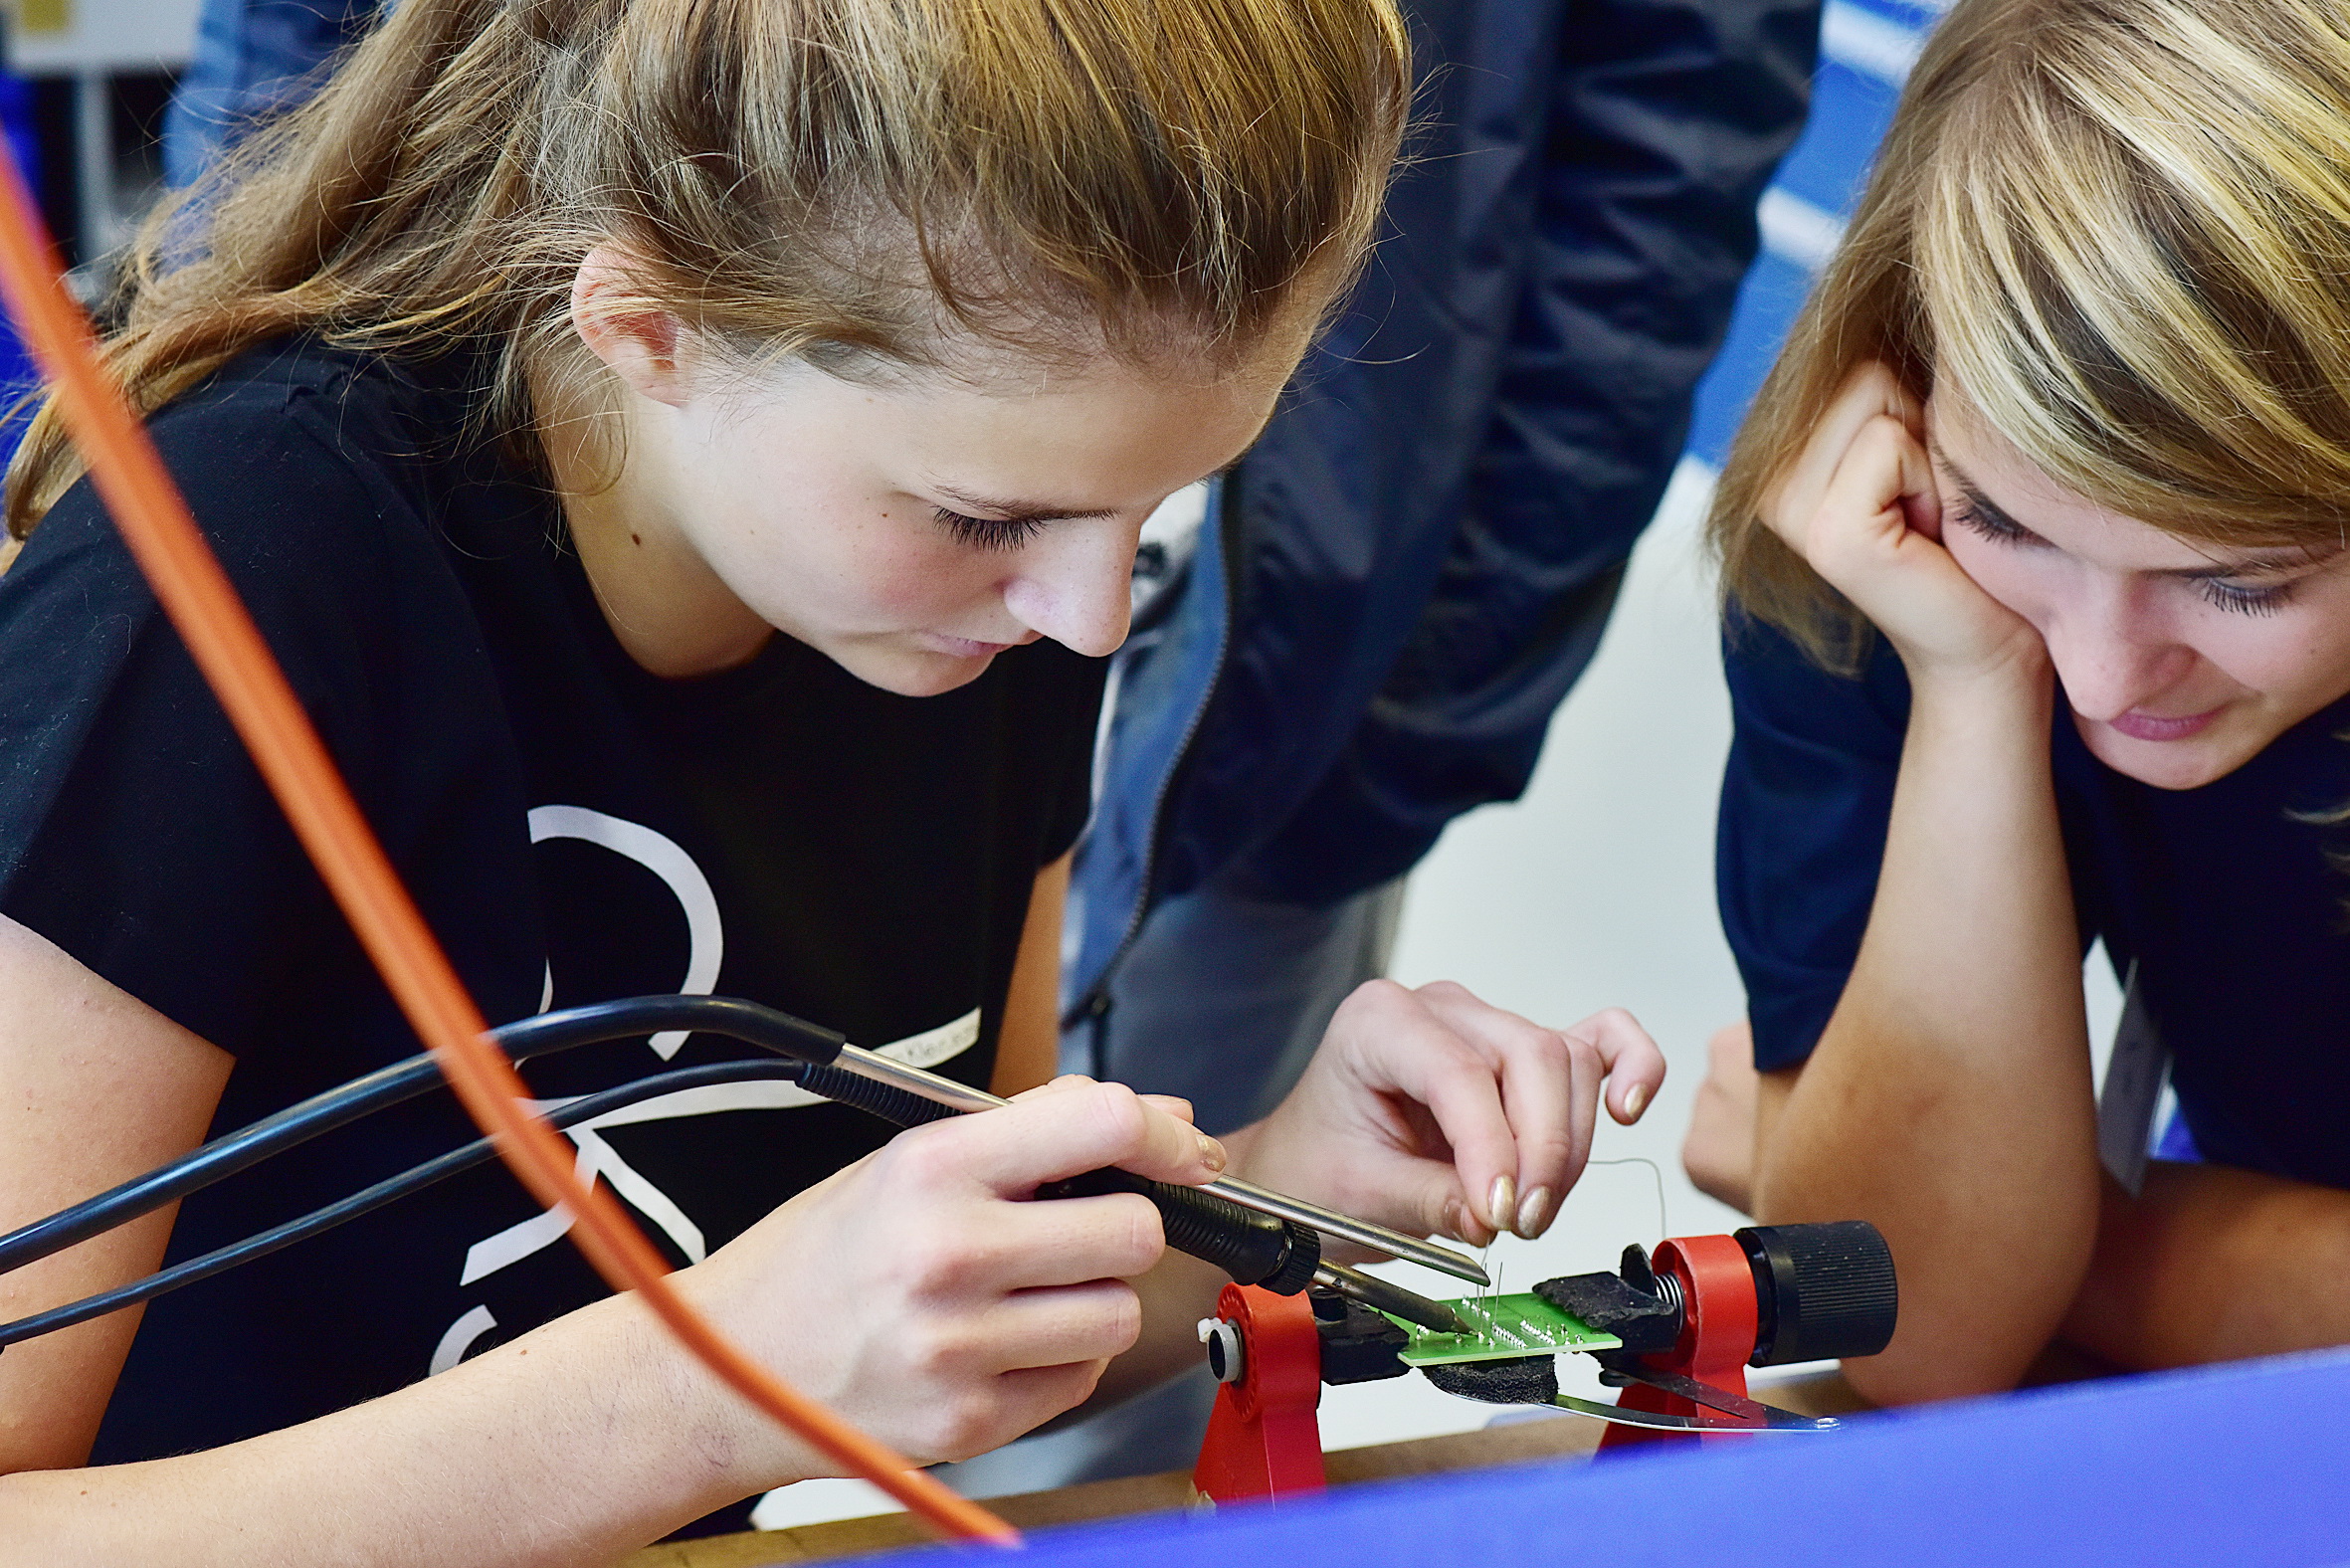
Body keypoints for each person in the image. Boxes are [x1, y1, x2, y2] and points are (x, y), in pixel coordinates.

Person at [0, 0, 1669, 1559]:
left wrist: (1292, 1180)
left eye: (1156, 508)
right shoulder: (237, 579)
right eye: (987, 517)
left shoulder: (968, 613)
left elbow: (960, 1326)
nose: (1088, 617)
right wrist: (705, 1390)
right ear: (646, 326)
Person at [1687, 0, 2350, 1405]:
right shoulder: (1884, 561)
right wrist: (1971, 683)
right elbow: (1916, 1323)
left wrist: (2066, 1243)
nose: (2103, 677)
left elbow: (1880, 1260)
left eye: (2240, 585)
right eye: (2010, 522)